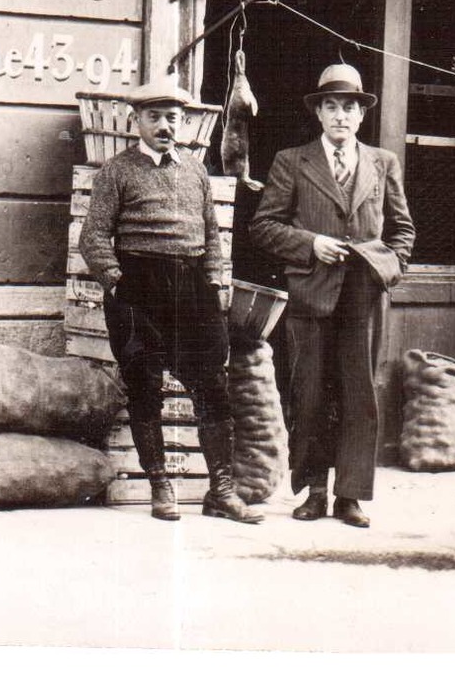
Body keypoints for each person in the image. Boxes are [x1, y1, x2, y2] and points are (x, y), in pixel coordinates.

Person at [79, 79, 263, 525]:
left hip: (192, 286)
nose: (164, 126)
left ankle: (220, 491)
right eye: (154, 117)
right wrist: (118, 282)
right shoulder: (117, 170)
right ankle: (161, 485)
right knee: (145, 387)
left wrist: (215, 283)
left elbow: (212, 234)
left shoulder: (195, 171)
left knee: (212, 388)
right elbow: (93, 237)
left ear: (182, 123)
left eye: (172, 118)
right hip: (138, 286)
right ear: (136, 121)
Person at [248, 63, 415, 528]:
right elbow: (263, 226)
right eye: (332, 106)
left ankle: (351, 495)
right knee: (311, 392)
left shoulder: (383, 163)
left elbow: (403, 228)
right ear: (319, 113)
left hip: (364, 294)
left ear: (361, 116)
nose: (341, 116)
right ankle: (314, 490)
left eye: (350, 108)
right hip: (311, 292)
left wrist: (391, 267)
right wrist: (310, 244)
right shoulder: (291, 160)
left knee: (360, 392)